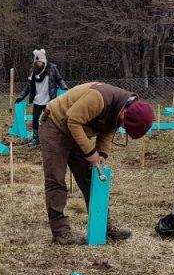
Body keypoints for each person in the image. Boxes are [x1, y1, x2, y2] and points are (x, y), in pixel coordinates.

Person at [39, 82, 154, 245]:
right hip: (55, 124)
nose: (122, 126)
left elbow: (109, 129)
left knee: (90, 179)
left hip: (76, 129)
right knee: (56, 180)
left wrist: (101, 154)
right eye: (124, 125)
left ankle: (103, 225)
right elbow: (72, 121)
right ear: (125, 112)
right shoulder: (99, 98)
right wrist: (90, 152)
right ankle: (60, 232)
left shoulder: (121, 107)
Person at [15, 49, 68, 147]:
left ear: (43, 61)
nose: (38, 64)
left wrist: (64, 87)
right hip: (38, 100)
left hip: (49, 100)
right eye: (36, 62)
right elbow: (28, 86)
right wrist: (21, 97)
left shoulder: (52, 68)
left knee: (50, 120)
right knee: (35, 118)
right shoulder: (33, 71)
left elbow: (59, 79)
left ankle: (50, 138)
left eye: (40, 62)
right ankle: (36, 138)